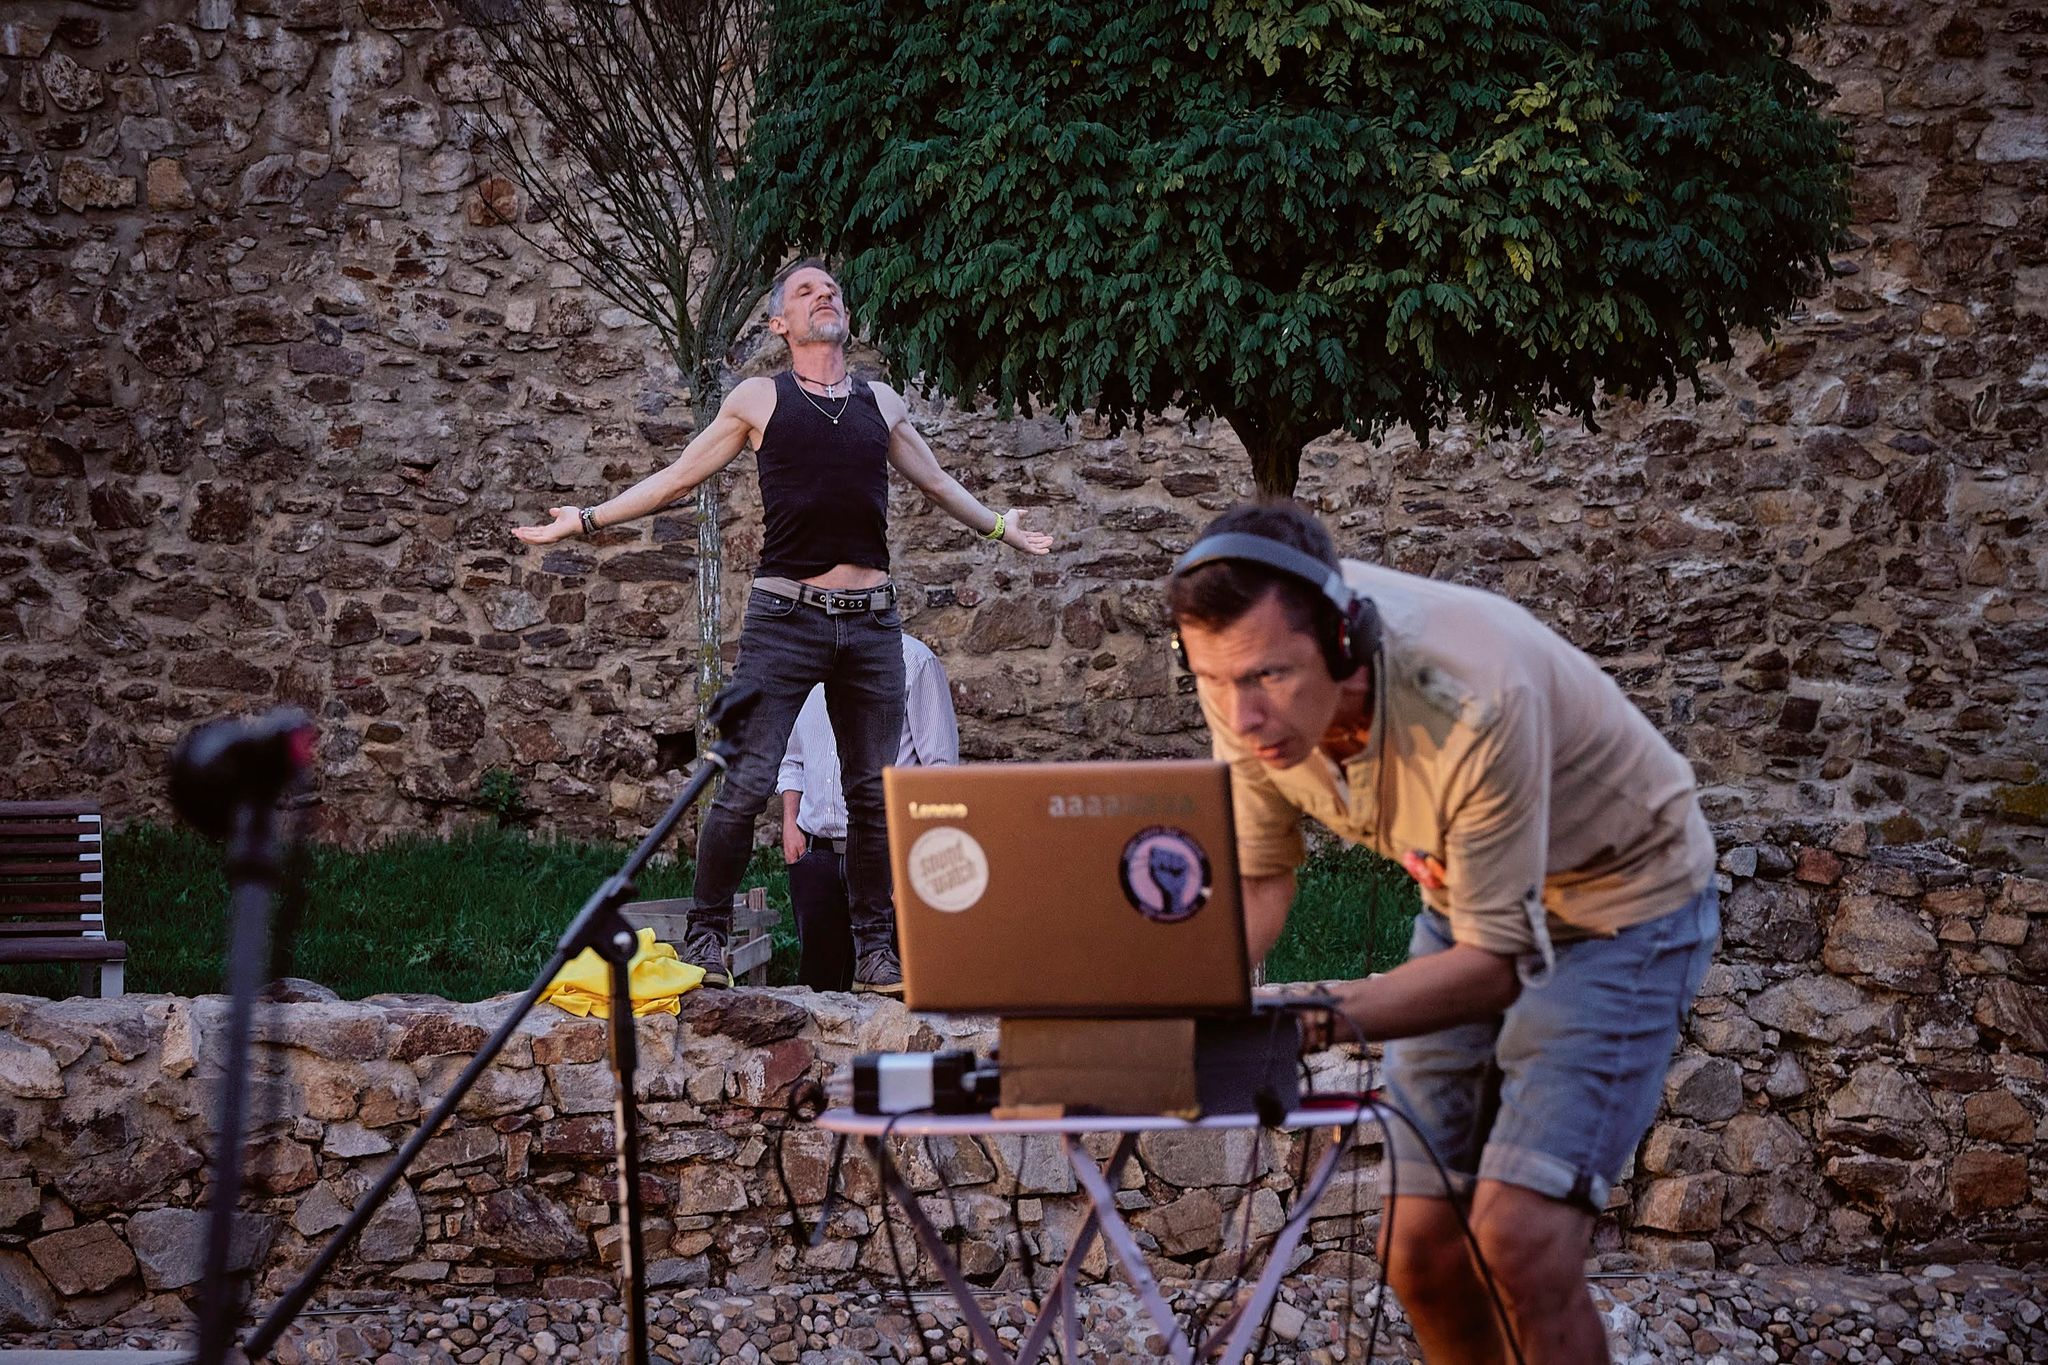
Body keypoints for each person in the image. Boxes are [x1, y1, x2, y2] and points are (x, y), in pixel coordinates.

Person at [1165, 498, 1718, 1365]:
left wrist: (1302, 1015)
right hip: (1471, 901)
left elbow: (1494, 967)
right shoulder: (1243, 672)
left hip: (1620, 904)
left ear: (1343, 641)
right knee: (1418, 1251)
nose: (1241, 717)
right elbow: (1263, 879)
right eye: (1212, 679)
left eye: (1268, 677)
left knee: (1521, 1240)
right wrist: (1182, 1003)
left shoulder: (1475, 700)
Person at [513, 262, 1052, 993]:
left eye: (832, 289)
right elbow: (679, 476)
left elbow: (935, 481)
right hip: (786, 618)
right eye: (806, 291)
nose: (824, 294)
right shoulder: (759, 398)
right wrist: (584, 519)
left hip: (872, 624)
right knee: (744, 783)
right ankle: (707, 938)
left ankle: (876, 954)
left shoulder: (881, 403)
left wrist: (999, 526)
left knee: (873, 795)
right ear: (780, 324)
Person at [778, 632, 958, 991]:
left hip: (887, 858)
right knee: (820, 992)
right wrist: (790, 824)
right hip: (816, 857)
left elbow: (939, 773)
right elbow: (793, 759)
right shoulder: (807, 663)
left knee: (896, 991)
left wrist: (912, 863)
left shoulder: (915, 661)